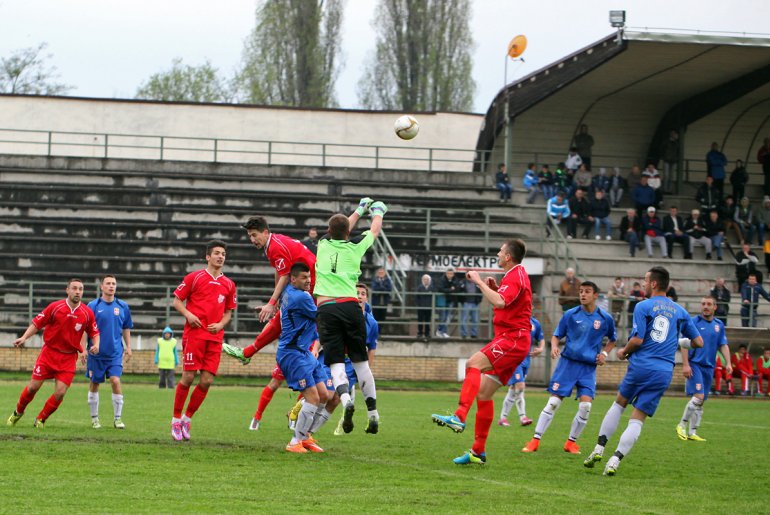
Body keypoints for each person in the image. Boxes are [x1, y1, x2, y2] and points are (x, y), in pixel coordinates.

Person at [582, 266, 703, 476]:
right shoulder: (680, 311)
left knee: (620, 403)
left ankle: (599, 448)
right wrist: (679, 341)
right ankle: (614, 460)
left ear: (654, 283)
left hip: (642, 365)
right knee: (638, 418)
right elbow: (699, 342)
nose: (644, 284)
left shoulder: (643, 306)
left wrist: (622, 351)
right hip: (664, 371)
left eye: (646, 281)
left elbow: (637, 339)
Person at [431, 239, 532, 465]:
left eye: (501, 251)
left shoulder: (515, 275)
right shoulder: (516, 275)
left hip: (513, 338)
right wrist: (494, 288)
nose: (498, 253)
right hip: (512, 338)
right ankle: (478, 452)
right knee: (484, 394)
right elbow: (506, 299)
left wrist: (478, 282)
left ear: (508, 257)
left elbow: (500, 303)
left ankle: (459, 416)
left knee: (472, 364)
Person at [314, 200, 387, 434]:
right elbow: (374, 230)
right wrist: (376, 211)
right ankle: (373, 414)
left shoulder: (322, 244)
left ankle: (346, 400)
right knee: (360, 362)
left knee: (335, 362)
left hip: (326, 307)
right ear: (348, 232)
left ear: (328, 231)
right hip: (350, 305)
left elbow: (343, 226)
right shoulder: (355, 247)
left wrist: (358, 209)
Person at [522, 282, 616, 454]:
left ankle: (571, 443)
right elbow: (557, 335)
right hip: (568, 365)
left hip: (588, 368)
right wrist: (555, 346)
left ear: (596, 295)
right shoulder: (570, 315)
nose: (583, 294)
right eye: (581, 291)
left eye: (587, 292)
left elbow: (612, 339)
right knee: (553, 403)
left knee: (586, 407)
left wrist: (604, 354)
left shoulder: (605, 318)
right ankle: (535, 440)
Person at [7, 278, 100, 428]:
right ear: (67, 290)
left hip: (69, 357)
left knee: (60, 393)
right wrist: (24, 337)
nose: (77, 292)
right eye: (74, 288)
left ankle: (41, 419)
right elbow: (37, 323)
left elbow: (94, 332)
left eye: (80, 289)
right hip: (49, 354)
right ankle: (18, 412)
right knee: (32, 387)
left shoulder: (87, 313)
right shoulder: (55, 307)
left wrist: (96, 344)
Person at [170, 240, 236, 441]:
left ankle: (186, 418)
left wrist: (221, 325)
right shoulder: (194, 277)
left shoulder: (229, 284)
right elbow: (176, 301)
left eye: (223, 253)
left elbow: (228, 313)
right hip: (195, 335)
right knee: (188, 377)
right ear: (208, 256)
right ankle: (175, 420)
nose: (220, 256)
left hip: (215, 337)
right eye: (216, 253)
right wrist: (188, 315)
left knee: (207, 380)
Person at [274, 263, 330, 453]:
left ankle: (305, 436)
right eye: (304, 278)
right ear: (293, 279)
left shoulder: (290, 290)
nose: (309, 281)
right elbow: (322, 317)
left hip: (303, 352)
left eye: (309, 277)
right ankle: (295, 441)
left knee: (325, 395)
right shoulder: (300, 297)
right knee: (313, 398)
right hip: (293, 353)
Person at [676, 296, 731, 442]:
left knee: (701, 401)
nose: (705, 306)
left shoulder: (719, 325)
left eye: (708, 304)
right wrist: (686, 364)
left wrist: (728, 363)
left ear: (715, 307)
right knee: (698, 396)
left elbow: (723, 345)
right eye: (703, 304)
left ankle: (692, 432)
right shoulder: (693, 322)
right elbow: (683, 343)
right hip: (695, 365)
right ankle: (681, 425)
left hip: (709, 367)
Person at [330, 282, 380, 436]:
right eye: (356, 292)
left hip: (353, 365)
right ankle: (371, 415)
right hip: (339, 360)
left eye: (363, 293)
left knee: (333, 396)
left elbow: (371, 348)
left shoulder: (372, 323)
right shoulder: (342, 316)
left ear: (367, 298)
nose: (359, 296)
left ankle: (342, 423)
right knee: (328, 395)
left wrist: (367, 370)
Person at [85, 274, 133, 429]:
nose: (111, 286)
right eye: (108, 283)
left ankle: (118, 419)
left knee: (115, 380)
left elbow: (126, 327)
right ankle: (94, 419)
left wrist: (128, 347)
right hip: (95, 354)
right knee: (94, 383)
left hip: (114, 353)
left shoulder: (123, 306)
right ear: (102, 287)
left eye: (114, 283)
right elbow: (85, 330)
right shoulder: (92, 306)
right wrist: (82, 350)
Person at [498, 315, 545, 427]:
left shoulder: (535, 322)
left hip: (526, 360)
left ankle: (503, 418)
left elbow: (541, 338)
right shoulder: (515, 319)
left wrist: (541, 349)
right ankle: (523, 417)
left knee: (514, 388)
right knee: (520, 386)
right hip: (514, 358)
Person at [436, 267, 462, 338]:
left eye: (451, 273)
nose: (450, 275)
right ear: (446, 273)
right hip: (443, 301)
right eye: (448, 273)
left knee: (448, 317)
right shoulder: (442, 279)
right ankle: (440, 330)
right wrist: (450, 289)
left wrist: (450, 290)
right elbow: (441, 289)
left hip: (451, 301)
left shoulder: (455, 280)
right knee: (443, 316)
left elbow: (458, 288)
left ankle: (442, 331)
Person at [415, 274, 433, 341]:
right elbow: (416, 297)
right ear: (422, 280)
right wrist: (418, 304)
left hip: (429, 307)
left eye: (427, 279)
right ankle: (420, 333)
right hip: (421, 307)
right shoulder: (419, 287)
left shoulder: (432, 288)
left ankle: (427, 333)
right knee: (420, 320)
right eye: (424, 279)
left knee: (428, 320)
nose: (426, 281)